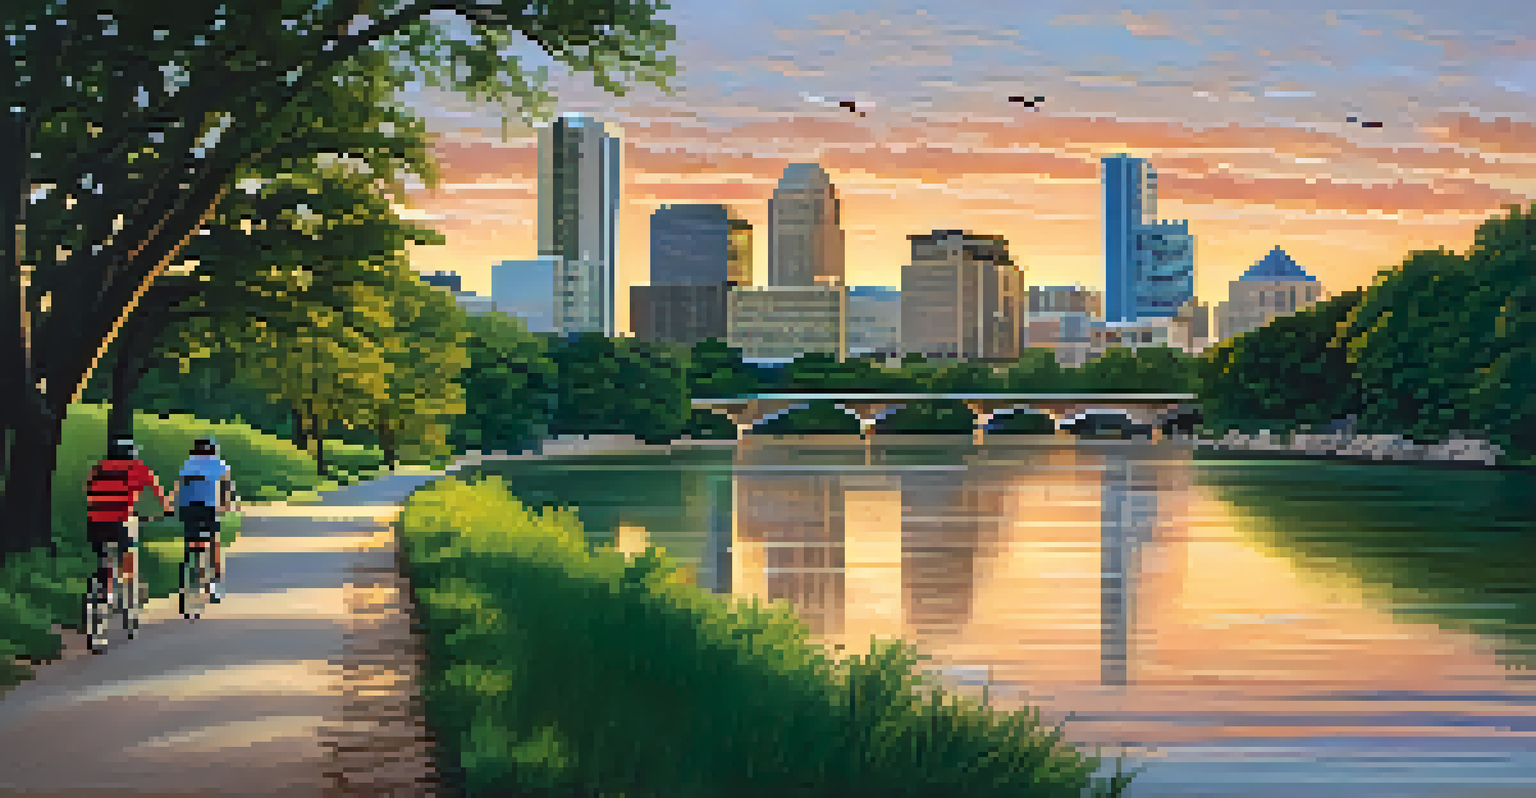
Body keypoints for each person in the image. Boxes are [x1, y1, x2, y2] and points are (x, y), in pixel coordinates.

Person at [85, 437, 174, 604]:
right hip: (120, 520)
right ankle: (129, 590)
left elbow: (88, 488)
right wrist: (167, 509)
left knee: (104, 555)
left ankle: (104, 591)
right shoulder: (138, 469)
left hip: (94, 520)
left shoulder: (98, 467)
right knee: (128, 552)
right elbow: (157, 492)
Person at [172, 436, 234, 602]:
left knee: (191, 540)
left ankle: (190, 567)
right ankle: (214, 584)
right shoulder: (220, 464)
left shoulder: (188, 464)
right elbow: (226, 486)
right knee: (214, 542)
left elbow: (179, 486)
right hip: (209, 508)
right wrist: (226, 504)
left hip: (188, 508)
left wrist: (174, 506)